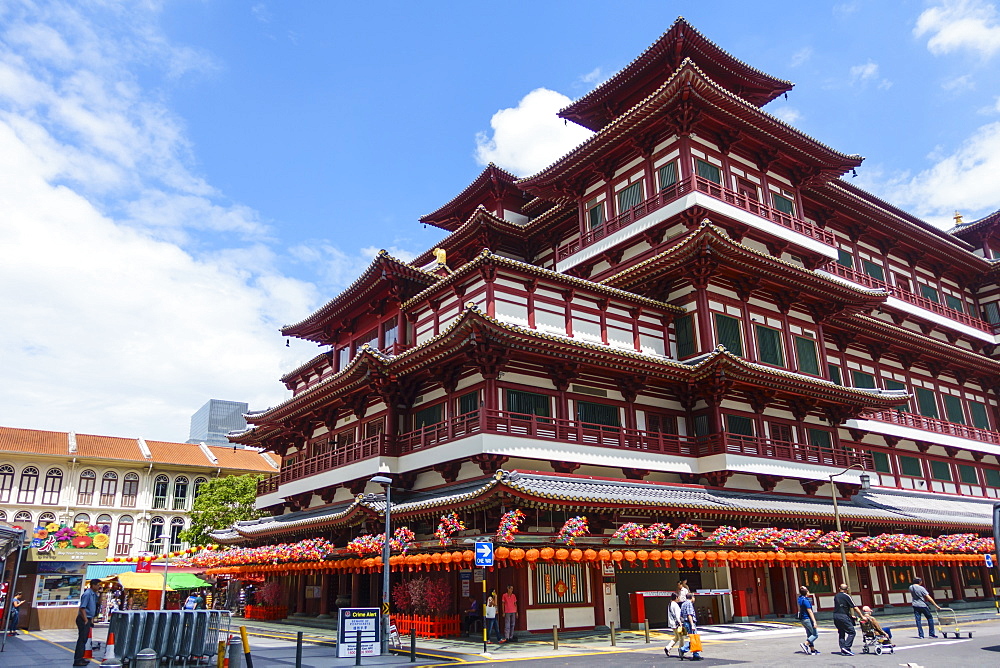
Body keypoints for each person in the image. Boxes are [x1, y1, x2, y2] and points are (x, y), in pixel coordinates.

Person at [74, 579, 101, 666]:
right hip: (83, 619)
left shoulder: (93, 594)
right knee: (82, 640)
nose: (99, 587)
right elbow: (82, 608)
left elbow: (98, 603)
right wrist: (85, 620)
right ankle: (78, 660)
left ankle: (81, 658)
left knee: (84, 639)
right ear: (93, 585)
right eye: (98, 585)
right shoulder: (87, 594)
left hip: (88, 619)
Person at [832, 583, 862, 656]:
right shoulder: (847, 596)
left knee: (841, 632)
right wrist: (861, 615)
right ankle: (847, 647)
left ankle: (842, 648)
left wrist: (850, 616)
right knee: (852, 632)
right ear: (847, 590)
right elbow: (854, 607)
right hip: (843, 616)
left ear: (839, 588)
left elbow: (841, 607)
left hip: (836, 615)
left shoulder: (836, 596)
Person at [678, 592, 702, 661]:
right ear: (692, 597)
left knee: (693, 638)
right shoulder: (689, 604)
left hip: (685, 622)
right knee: (694, 638)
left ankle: (696, 654)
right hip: (689, 622)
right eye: (694, 597)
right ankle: (683, 649)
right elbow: (689, 615)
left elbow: (681, 615)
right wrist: (692, 625)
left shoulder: (683, 604)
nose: (694, 599)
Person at [797, 586, 820, 655]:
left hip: (803, 619)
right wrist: (814, 621)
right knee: (815, 634)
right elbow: (810, 611)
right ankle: (805, 644)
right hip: (807, 619)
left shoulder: (800, 599)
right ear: (806, 592)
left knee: (809, 634)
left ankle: (812, 650)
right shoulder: (806, 601)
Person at [663, 592, 684, 657]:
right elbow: (677, 615)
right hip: (677, 624)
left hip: (672, 624)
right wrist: (680, 622)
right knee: (682, 637)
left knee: (677, 637)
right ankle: (681, 650)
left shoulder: (669, 604)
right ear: (676, 598)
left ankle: (668, 647)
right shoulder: (675, 605)